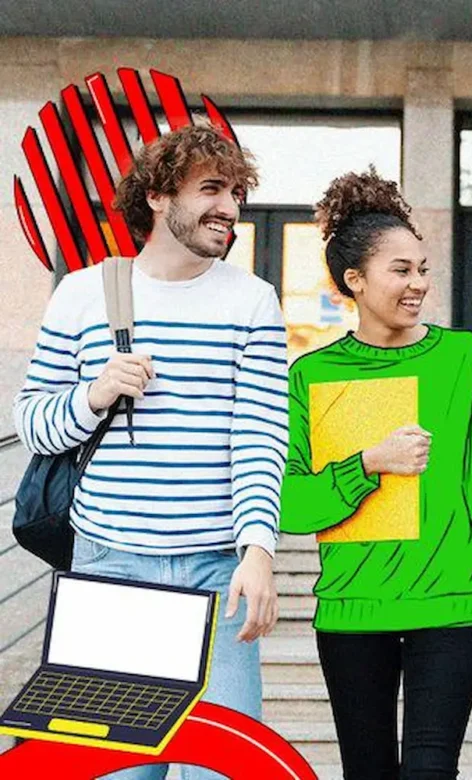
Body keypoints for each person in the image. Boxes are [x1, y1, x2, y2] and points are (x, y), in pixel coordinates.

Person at [13, 123, 286, 780]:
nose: (230, 207)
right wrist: (94, 394)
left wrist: (258, 548)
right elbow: (33, 423)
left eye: (237, 192)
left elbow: (261, 435)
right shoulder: (82, 293)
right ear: (159, 196)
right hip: (113, 571)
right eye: (212, 189)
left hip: (218, 574)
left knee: (223, 771)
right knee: (119, 774)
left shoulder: (252, 300)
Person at [279, 168, 472, 780]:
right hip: (353, 610)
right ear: (354, 281)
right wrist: (367, 466)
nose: (418, 284)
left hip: (452, 605)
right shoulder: (311, 375)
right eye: (401, 270)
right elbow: (290, 505)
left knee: (430, 772)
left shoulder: (460, 357)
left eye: (423, 268)